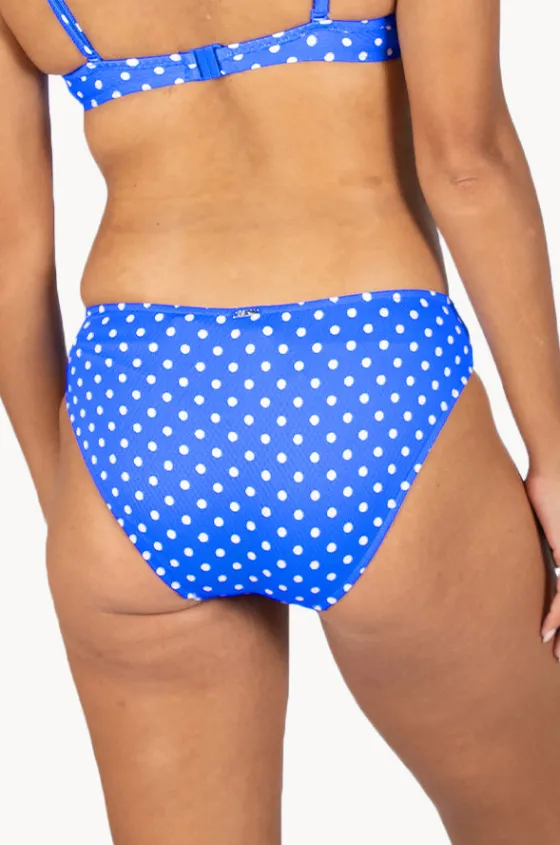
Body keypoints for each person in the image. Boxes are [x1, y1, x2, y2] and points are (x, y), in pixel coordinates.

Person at [1, 1, 560, 842]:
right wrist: (554, 454)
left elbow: (11, 252)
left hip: (140, 416)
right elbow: (469, 166)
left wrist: (76, 507)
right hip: (366, 389)